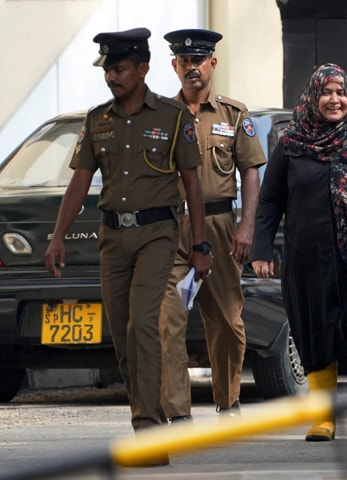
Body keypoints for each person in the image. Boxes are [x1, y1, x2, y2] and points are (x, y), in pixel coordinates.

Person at [44, 28, 211, 463]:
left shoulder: (173, 117)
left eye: (118, 69)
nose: (111, 78)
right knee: (121, 334)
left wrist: (201, 245)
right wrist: (58, 236)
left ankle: (149, 432)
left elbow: (192, 184)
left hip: (158, 235)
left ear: (142, 68)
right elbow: (79, 182)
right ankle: (146, 419)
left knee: (142, 326)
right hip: (112, 238)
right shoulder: (97, 119)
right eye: (107, 70)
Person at [250, 63, 347, 442]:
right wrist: (261, 247)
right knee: (315, 333)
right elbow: (270, 201)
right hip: (308, 260)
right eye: (327, 92)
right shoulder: (291, 145)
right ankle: (323, 416)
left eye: (341, 92)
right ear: (313, 96)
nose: (334, 99)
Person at [158, 29, 267, 422]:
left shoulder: (233, 115)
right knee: (167, 322)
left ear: (212, 64)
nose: (192, 67)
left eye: (199, 60)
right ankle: (177, 411)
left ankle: (227, 400)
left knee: (225, 320)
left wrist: (247, 227)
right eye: (184, 61)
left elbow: (250, 173)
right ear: (174, 66)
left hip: (221, 226)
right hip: (172, 228)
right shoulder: (162, 117)